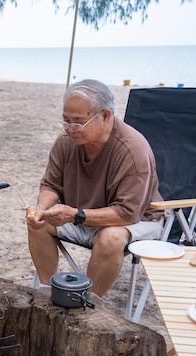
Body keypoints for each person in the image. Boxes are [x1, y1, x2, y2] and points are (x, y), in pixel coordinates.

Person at [26, 79, 164, 297]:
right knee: (38, 223)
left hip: (137, 220)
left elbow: (126, 213)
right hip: (82, 216)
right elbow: (51, 185)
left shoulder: (133, 151)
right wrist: (41, 208)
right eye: (66, 121)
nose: (70, 129)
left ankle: (90, 302)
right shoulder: (66, 141)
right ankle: (46, 291)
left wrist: (75, 215)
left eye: (78, 122)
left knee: (111, 237)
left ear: (106, 116)